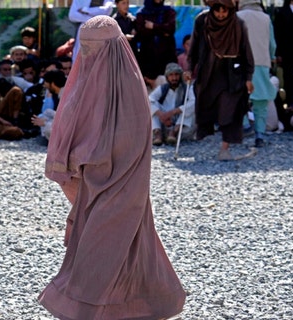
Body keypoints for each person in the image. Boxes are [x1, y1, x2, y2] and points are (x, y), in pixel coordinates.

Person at [39, 16, 185, 319]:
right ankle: (130, 303)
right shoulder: (86, 81)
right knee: (120, 242)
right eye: (86, 48)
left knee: (104, 240)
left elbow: (129, 137)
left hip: (124, 178)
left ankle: (88, 305)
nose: (91, 55)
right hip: (96, 178)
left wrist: (84, 155)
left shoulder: (129, 86)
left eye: (97, 48)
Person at [187, 0, 254, 161]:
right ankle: (204, 135)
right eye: (218, 11)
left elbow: (247, 52)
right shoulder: (202, 21)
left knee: (229, 110)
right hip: (208, 74)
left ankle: (225, 147)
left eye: (224, 11)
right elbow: (194, 47)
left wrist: (248, 77)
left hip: (232, 76)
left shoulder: (238, 24)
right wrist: (189, 68)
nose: (221, 15)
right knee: (205, 106)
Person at [237, 0, 277, 148]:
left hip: (241, 63)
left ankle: (245, 124)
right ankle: (259, 135)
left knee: (239, 96)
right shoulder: (265, 18)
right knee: (261, 100)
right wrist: (271, 57)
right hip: (261, 61)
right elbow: (272, 44)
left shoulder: (237, 16)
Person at [149, 63, 196, 146]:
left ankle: (173, 132)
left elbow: (193, 103)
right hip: (163, 123)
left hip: (181, 125)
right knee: (152, 104)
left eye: (176, 75)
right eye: (171, 75)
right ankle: (157, 134)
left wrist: (173, 112)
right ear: (167, 77)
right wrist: (162, 115)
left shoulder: (187, 88)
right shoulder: (162, 88)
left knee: (188, 108)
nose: (174, 78)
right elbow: (148, 101)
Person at [135, 0, 177, 90]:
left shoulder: (168, 11)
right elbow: (142, 32)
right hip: (148, 59)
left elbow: (170, 29)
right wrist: (162, 30)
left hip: (166, 57)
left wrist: (154, 26)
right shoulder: (142, 13)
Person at [31, 69, 66, 143]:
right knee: (47, 113)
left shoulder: (66, 96)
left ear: (52, 84)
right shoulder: (61, 94)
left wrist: (45, 123)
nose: (44, 85)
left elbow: (67, 121)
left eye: (46, 82)